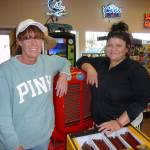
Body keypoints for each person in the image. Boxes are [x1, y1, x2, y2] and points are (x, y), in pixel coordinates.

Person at [0, 19, 71, 150]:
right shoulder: (4, 71)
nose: (34, 43)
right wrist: (13, 145)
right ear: (20, 42)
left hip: (44, 137)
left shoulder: (48, 61)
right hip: (18, 143)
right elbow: (2, 116)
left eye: (38, 38)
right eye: (28, 38)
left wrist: (64, 75)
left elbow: (65, 62)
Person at [76, 22, 150, 134]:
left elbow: (141, 101)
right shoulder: (101, 62)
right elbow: (81, 60)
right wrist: (89, 68)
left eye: (119, 45)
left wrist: (119, 123)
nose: (113, 49)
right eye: (110, 45)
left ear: (127, 49)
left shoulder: (137, 71)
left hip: (125, 126)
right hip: (100, 125)